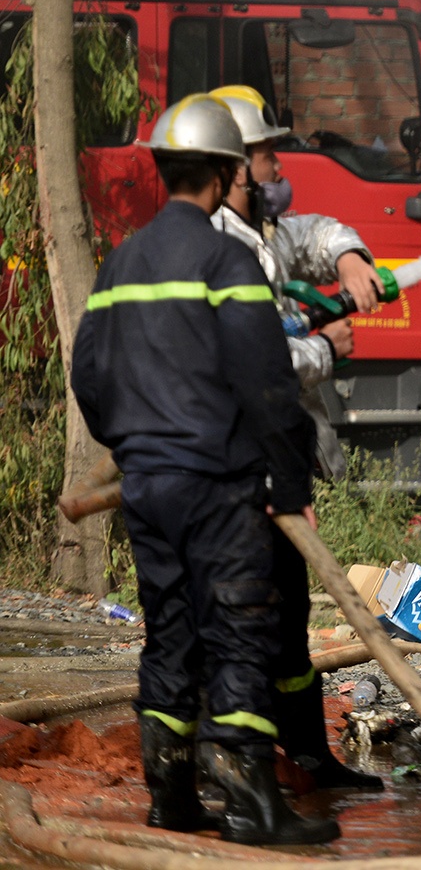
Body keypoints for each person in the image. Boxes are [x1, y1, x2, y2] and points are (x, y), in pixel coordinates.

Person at [69, 94, 339, 846]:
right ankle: (253, 805)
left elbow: (88, 376)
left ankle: (172, 798)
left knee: (170, 634)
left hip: (147, 488)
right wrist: (288, 484)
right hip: (220, 487)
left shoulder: (121, 262)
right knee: (239, 631)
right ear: (225, 174)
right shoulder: (226, 260)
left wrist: (132, 446)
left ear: (165, 170)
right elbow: (267, 384)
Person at [207, 84, 384, 792]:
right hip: (243, 461)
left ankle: (306, 758)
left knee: (287, 612)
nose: (278, 166)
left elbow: (313, 232)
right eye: (266, 153)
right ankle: (243, 774)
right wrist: (325, 349)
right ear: (233, 163)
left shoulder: (262, 233)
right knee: (252, 614)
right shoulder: (220, 249)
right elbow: (252, 363)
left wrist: (349, 257)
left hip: (278, 456)